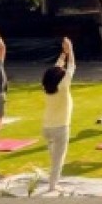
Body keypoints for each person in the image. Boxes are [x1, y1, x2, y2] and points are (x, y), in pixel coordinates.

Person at [41, 37, 76, 194]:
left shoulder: (48, 86)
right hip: (60, 128)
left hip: (47, 128)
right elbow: (71, 67)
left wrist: (64, 53)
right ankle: (52, 186)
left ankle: (54, 180)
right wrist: (71, 50)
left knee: (54, 157)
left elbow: (56, 70)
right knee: (58, 160)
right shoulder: (63, 86)